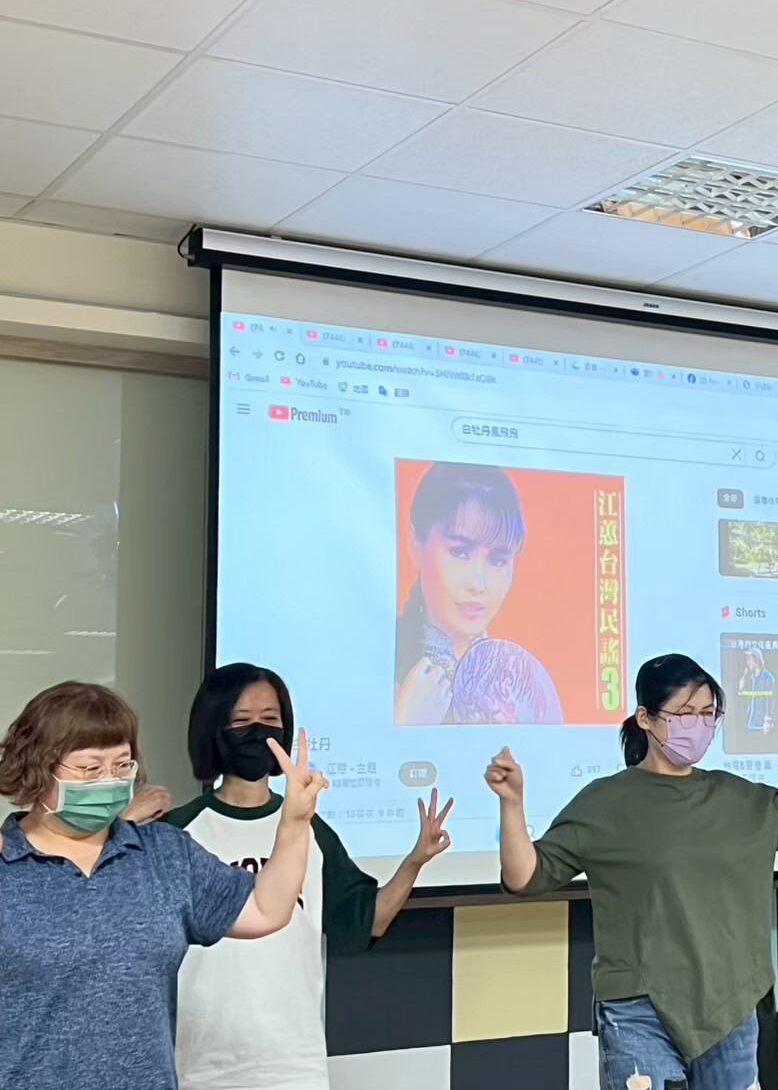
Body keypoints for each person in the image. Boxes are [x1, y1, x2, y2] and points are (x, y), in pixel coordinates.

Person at [486, 650, 778, 1090]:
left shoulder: (739, 799)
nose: (699, 724)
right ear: (646, 718)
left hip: (729, 1002)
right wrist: (512, 804)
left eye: (708, 714)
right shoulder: (605, 803)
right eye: (685, 713)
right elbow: (526, 876)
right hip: (638, 1009)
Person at [137, 664, 455, 1090]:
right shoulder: (178, 832)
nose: (257, 732)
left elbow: (365, 920)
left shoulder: (310, 830)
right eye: (242, 721)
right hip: (199, 1065)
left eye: (270, 719)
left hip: (293, 1064)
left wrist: (415, 861)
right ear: (214, 729)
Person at [0, 680, 326, 1090]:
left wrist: (294, 821)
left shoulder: (164, 853)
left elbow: (265, 909)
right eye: (90, 769)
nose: (109, 780)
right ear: (36, 767)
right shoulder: (7, 865)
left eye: (122, 765)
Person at [395, 461, 560, 726]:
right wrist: (408, 723)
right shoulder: (380, 659)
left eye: (498, 560)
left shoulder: (523, 682)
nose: (479, 584)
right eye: (460, 552)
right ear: (415, 545)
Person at [739, 648, 776, 733]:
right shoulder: (751, 678)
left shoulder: (767, 677)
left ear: (756, 659)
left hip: (761, 726)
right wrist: (741, 688)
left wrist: (767, 721)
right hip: (750, 724)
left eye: (749, 658)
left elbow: (770, 700)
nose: (747, 662)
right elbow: (745, 699)